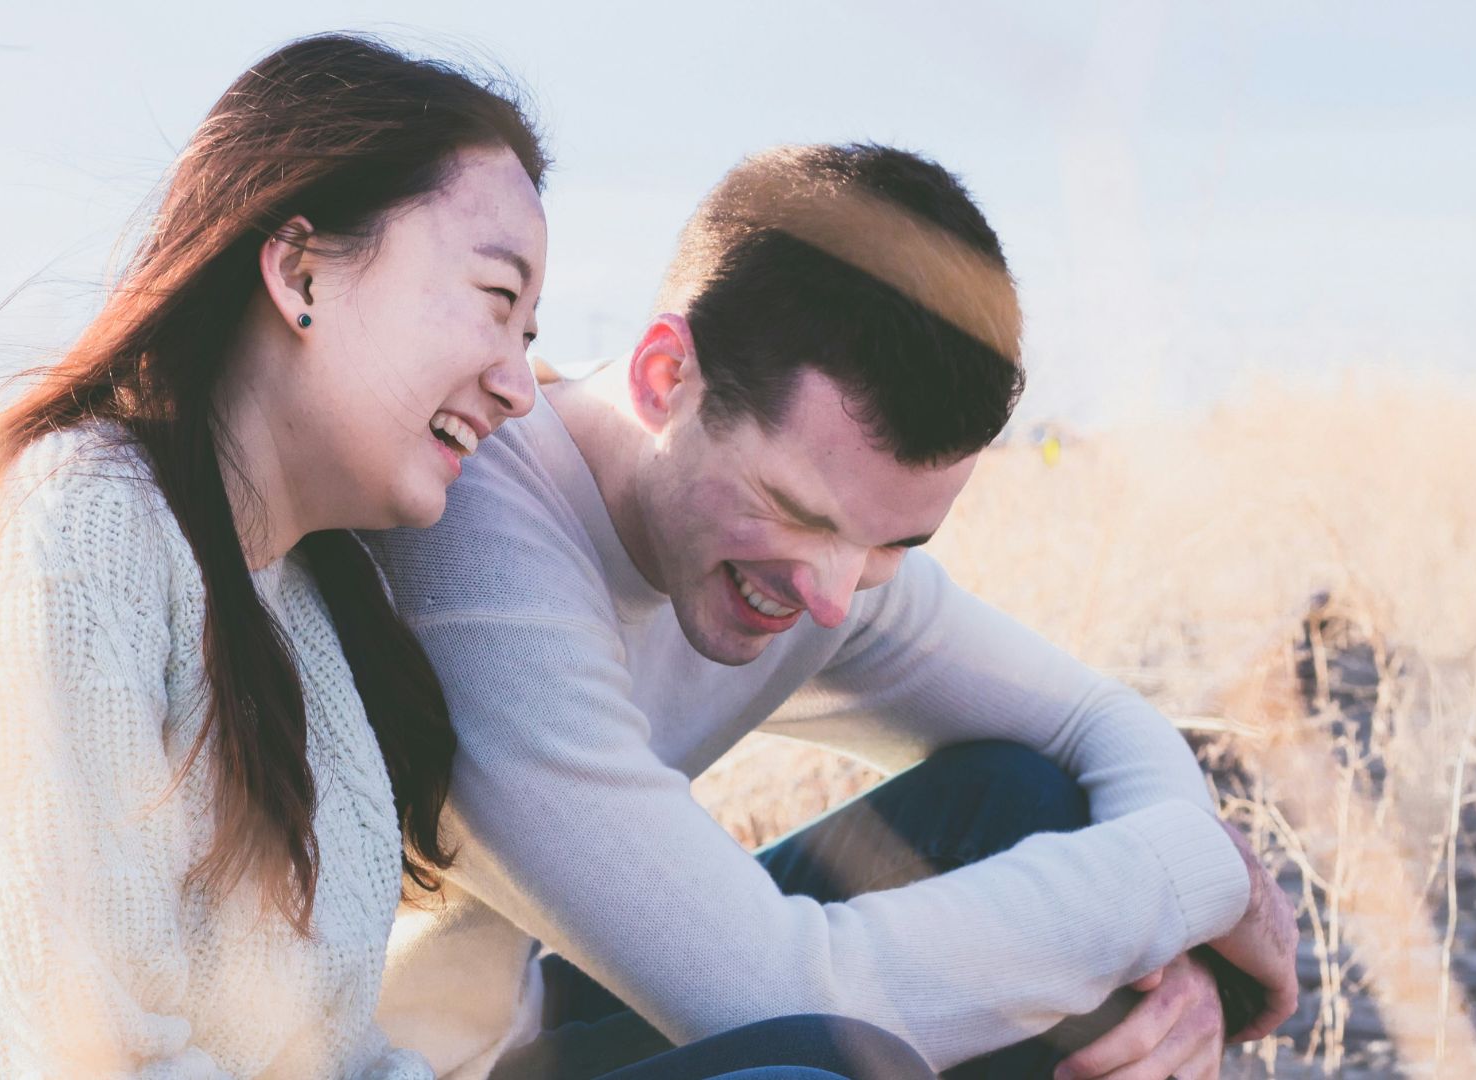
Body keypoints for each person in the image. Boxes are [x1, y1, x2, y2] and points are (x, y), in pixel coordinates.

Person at [0, 35, 926, 1080]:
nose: (519, 382)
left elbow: (336, 1056)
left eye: (530, 337)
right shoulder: (73, 538)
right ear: (301, 271)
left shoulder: (304, 602)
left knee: (841, 1055)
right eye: (491, 302)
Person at [361, 143, 1301, 1080]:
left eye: (894, 544)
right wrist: (1190, 882)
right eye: (800, 513)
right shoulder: (474, 532)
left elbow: (1096, 720)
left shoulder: (818, 561)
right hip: (400, 1063)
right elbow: (775, 995)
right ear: (664, 378)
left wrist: (1171, 958)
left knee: (1028, 802)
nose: (833, 594)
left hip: (530, 1021)